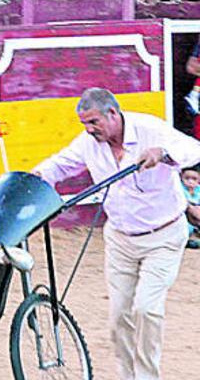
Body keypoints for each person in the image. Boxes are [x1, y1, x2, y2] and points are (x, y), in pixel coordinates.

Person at [32, 87, 200, 380]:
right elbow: (60, 164)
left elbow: (194, 149)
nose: (89, 129)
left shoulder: (150, 128)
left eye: (93, 122)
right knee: (119, 316)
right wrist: (34, 178)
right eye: (84, 123)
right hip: (120, 239)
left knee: (146, 309)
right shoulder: (88, 143)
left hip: (163, 236)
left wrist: (164, 153)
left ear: (112, 113)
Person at [181, 165, 200, 248]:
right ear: (181, 178)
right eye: (187, 178)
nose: (190, 181)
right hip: (184, 218)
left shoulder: (198, 189)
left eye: (194, 179)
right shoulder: (180, 188)